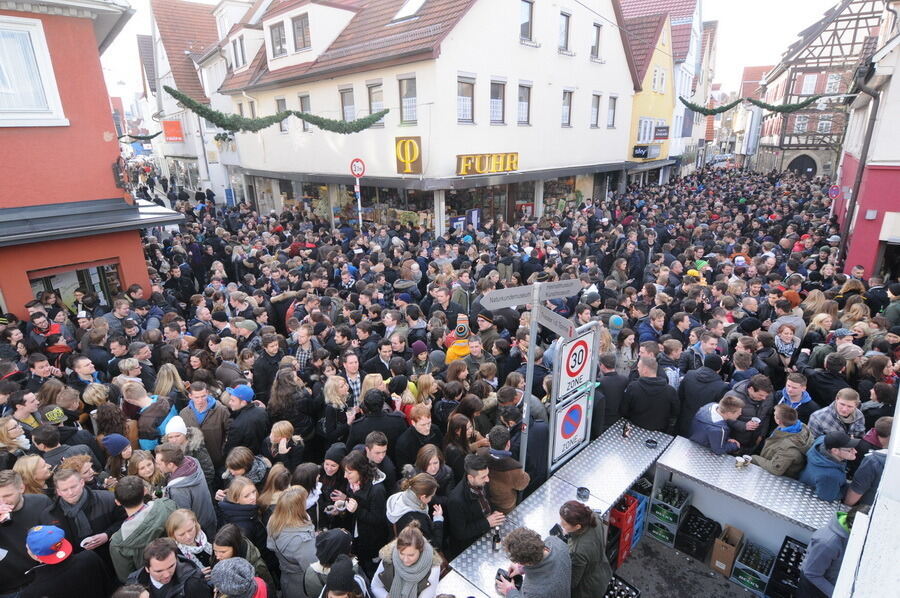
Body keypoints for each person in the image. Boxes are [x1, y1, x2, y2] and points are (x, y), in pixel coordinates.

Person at [46, 466, 125, 570]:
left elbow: (125, 521)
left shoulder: (108, 499)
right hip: (78, 568)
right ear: (58, 491)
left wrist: (107, 534)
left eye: (73, 487)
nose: (70, 492)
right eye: (64, 490)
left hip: (111, 561)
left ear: (82, 483)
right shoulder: (51, 515)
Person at [110, 475, 178, 582]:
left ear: (117, 502)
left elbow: (128, 579)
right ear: (145, 491)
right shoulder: (167, 505)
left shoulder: (118, 543)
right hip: (179, 567)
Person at [0, 470, 55, 597]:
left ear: (21, 488)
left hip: (42, 578)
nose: (2, 502)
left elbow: (53, 536)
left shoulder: (41, 502)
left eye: (7, 495)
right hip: (9, 588)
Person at [21, 524, 114, 598]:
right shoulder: (90, 557)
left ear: (37, 557)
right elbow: (110, 589)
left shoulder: (33, 592)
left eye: (28, 547)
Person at [445, 453, 506, 559]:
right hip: (470, 548)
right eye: (483, 477)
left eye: (487, 475)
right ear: (470, 477)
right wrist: (487, 522)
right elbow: (460, 533)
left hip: (486, 533)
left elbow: (487, 501)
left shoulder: (481, 483)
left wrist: (493, 513)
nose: (488, 480)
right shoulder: (456, 501)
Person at [342, 448, 389, 577]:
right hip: (357, 536)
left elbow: (378, 519)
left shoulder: (377, 490)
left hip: (372, 541)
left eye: (349, 473)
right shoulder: (352, 483)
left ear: (360, 471)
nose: (345, 476)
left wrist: (357, 510)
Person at [154, 443, 217, 540]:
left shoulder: (177, 490)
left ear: (171, 464)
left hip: (197, 530)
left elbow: (182, 520)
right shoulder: (193, 463)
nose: (157, 466)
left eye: (159, 463)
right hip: (209, 517)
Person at [266, 486, 317, 598]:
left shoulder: (274, 520)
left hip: (287, 579)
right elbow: (313, 569)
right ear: (298, 508)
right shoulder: (301, 541)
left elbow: (271, 545)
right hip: (302, 586)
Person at [496, 526, 572, 598]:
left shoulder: (533, 591)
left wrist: (510, 592)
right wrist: (522, 568)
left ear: (524, 562)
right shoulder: (556, 542)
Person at [799, 509, 859, 598]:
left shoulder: (847, 535)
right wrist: (837, 594)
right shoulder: (827, 543)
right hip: (813, 587)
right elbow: (811, 574)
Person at [371, 521, 441, 598]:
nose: (405, 560)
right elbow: (375, 586)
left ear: (421, 551)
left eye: (411, 555)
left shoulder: (433, 568)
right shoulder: (388, 558)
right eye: (401, 554)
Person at [558, 500, 612, 598]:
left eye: (564, 523)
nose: (561, 525)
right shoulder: (594, 517)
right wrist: (570, 532)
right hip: (603, 570)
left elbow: (572, 582)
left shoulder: (577, 551)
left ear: (577, 526)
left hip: (589, 588)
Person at [127, 537, 211, 598]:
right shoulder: (134, 582)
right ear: (147, 568)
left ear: (176, 559)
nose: (166, 575)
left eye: (171, 566)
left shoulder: (193, 582)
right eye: (159, 571)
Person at [751, 404, 815, 478]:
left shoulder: (788, 449)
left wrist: (754, 458)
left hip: (779, 478)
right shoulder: (798, 426)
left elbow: (775, 469)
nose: (773, 414)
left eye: (775, 414)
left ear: (779, 421)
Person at [477, 425, 529, 513]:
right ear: (508, 444)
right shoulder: (514, 468)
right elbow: (522, 485)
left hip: (484, 502)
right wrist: (526, 476)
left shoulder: (480, 453)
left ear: (489, 441)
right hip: (505, 508)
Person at [179, 381, 231, 470]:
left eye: (203, 396)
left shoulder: (221, 410)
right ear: (190, 396)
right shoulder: (184, 413)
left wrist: (223, 451)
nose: (200, 400)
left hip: (218, 459)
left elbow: (230, 432)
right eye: (197, 397)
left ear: (207, 393)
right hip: (197, 461)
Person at [620, 357, 679, 433]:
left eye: (638, 367)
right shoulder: (670, 391)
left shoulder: (633, 387)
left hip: (635, 428)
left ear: (645, 370)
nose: (637, 369)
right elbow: (675, 412)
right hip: (660, 432)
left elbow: (624, 410)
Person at [385, 473, 443, 548]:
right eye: (431, 496)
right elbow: (434, 545)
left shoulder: (397, 498)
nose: (431, 498)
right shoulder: (418, 520)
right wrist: (438, 520)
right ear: (423, 497)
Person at [677, 354, 729, 436]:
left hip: (683, 421)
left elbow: (680, 396)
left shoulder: (689, 374)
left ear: (704, 363)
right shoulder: (722, 387)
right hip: (702, 427)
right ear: (719, 368)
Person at [798, 431, 859, 501]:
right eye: (850, 450)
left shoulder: (822, 440)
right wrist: (846, 491)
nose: (855, 451)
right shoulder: (830, 476)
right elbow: (827, 497)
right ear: (835, 451)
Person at [726, 374, 775, 453]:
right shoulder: (733, 397)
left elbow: (767, 416)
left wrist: (761, 435)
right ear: (751, 389)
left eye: (766, 396)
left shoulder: (768, 395)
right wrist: (743, 425)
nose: (764, 398)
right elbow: (724, 417)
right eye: (761, 395)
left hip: (753, 444)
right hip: (734, 443)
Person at [223, 384, 269, 456]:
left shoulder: (237, 425)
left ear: (243, 402)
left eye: (233, 400)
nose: (229, 403)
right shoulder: (262, 411)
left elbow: (229, 450)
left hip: (245, 459)